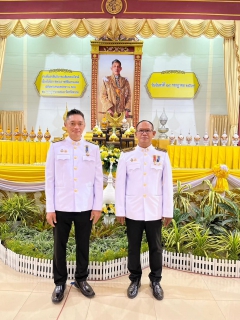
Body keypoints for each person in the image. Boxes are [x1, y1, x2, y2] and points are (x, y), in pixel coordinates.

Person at [45, 109, 103, 303]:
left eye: (80, 123)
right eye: (72, 124)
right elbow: (50, 180)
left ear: (84, 126)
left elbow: (97, 180)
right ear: (66, 126)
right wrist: (50, 208)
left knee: (83, 245)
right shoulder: (55, 148)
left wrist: (97, 206)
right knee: (59, 246)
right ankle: (60, 283)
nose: (76, 127)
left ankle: (81, 279)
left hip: (85, 206)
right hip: (61, 205)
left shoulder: (93, 149)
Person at [115, 120, 173, 300]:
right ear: (136, 134)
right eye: (141, 131)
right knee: (133, 247)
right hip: (133, 210)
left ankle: (155, 281)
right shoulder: (126, 156)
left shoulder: (162, 156)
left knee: (156, 248)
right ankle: (135, 280)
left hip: (154, 211)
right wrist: (120, 210)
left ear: (153, 134)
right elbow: (120, 185)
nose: (144, 134)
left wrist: (167, 211)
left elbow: (167, 185)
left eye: (148, 131)